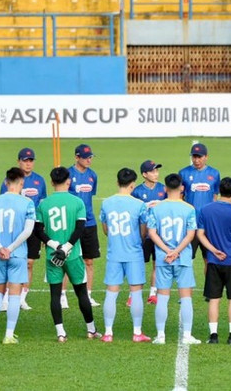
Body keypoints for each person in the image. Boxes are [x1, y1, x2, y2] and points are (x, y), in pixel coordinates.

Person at [34, 167, 100, 342]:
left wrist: (55, 245)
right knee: (82, 293)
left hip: (53, 255)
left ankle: (60, 333)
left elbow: (38, 230)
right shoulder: (77, 202)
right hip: (73, 255)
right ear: (69, 181)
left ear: (51, 182)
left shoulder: (43, 204)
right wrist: (67, 247)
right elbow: (80, 228)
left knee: (55, 295)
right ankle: (91, 330)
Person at [0, 167, 36, 344]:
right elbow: (28, 231)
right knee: (14, 294)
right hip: (17, 254)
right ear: (21, 183)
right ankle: (8, 334)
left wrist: (0, 247)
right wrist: (11, 248)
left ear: (6, 182)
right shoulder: (27, 203)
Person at [147, 173, 201, 345]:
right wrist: (176, 251)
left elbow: (152, 233)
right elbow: (190, 235)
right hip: (182, 257)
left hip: (163, 258)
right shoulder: (189, 208)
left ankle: (160, 335)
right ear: (182, 188)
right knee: (186, 297)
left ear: (165, 188)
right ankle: (187, 335)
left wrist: (167, 251)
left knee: (162, 297)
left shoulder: (156, 208)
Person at [99, 168, 152, 343]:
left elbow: (105, 229)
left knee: (111, 293)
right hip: (133, 253)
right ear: (133, 184)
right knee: (136, 293)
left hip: (114, 253)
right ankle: (137, 332)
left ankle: (108, 333)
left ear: (117, 182)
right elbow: (143, 231)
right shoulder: (139, 204)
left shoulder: (107, 203)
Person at [197, 177, 231, 345]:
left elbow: (200, 234)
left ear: (219, 190)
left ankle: (213, 336)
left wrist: (213, 250)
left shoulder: (205, 210)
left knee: (213, 298)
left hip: (213, 261)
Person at [0, 147, 47, 310]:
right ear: (18, 161)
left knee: (29, 263)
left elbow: (42, 205)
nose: (28, 163)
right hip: (14, 227)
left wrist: (43, 229)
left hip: (33, 226)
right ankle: (6, 297)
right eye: (25, 160)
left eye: (31, 160)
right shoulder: (9, 181)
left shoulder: (40, 180)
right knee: (11, 260)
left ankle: (22, 298)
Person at [66, 144, 100, 308]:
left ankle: (88, 295)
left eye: (90, 157)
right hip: (72, 223)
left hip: (89, 222)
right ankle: (62, 296)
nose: (89, 160)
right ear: (77, 157)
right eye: (86, 157)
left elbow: (90, 196)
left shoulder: (93, 175)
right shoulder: (68, 174)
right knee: (66, 259)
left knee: (89, 261)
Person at [179, 143, 220, 263]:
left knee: (209, 258)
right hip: (190, 223)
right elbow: (180, 197)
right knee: (187, 258)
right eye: (194, 157)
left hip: (207, 223)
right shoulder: (183, 173)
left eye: (199, 157)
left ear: (206, 157)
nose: (196, 160)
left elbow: (215, 196)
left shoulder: (214, 173)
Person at [133, 160, 166, 305]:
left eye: (157, 170)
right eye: (152, 171)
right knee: (138, 264)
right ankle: (134, 293)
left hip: (159, 234)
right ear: (144, 174)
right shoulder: (137, 192)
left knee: (157, 263)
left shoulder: (163, 189)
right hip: (142, 234)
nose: (156, 174)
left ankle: (153, 293)